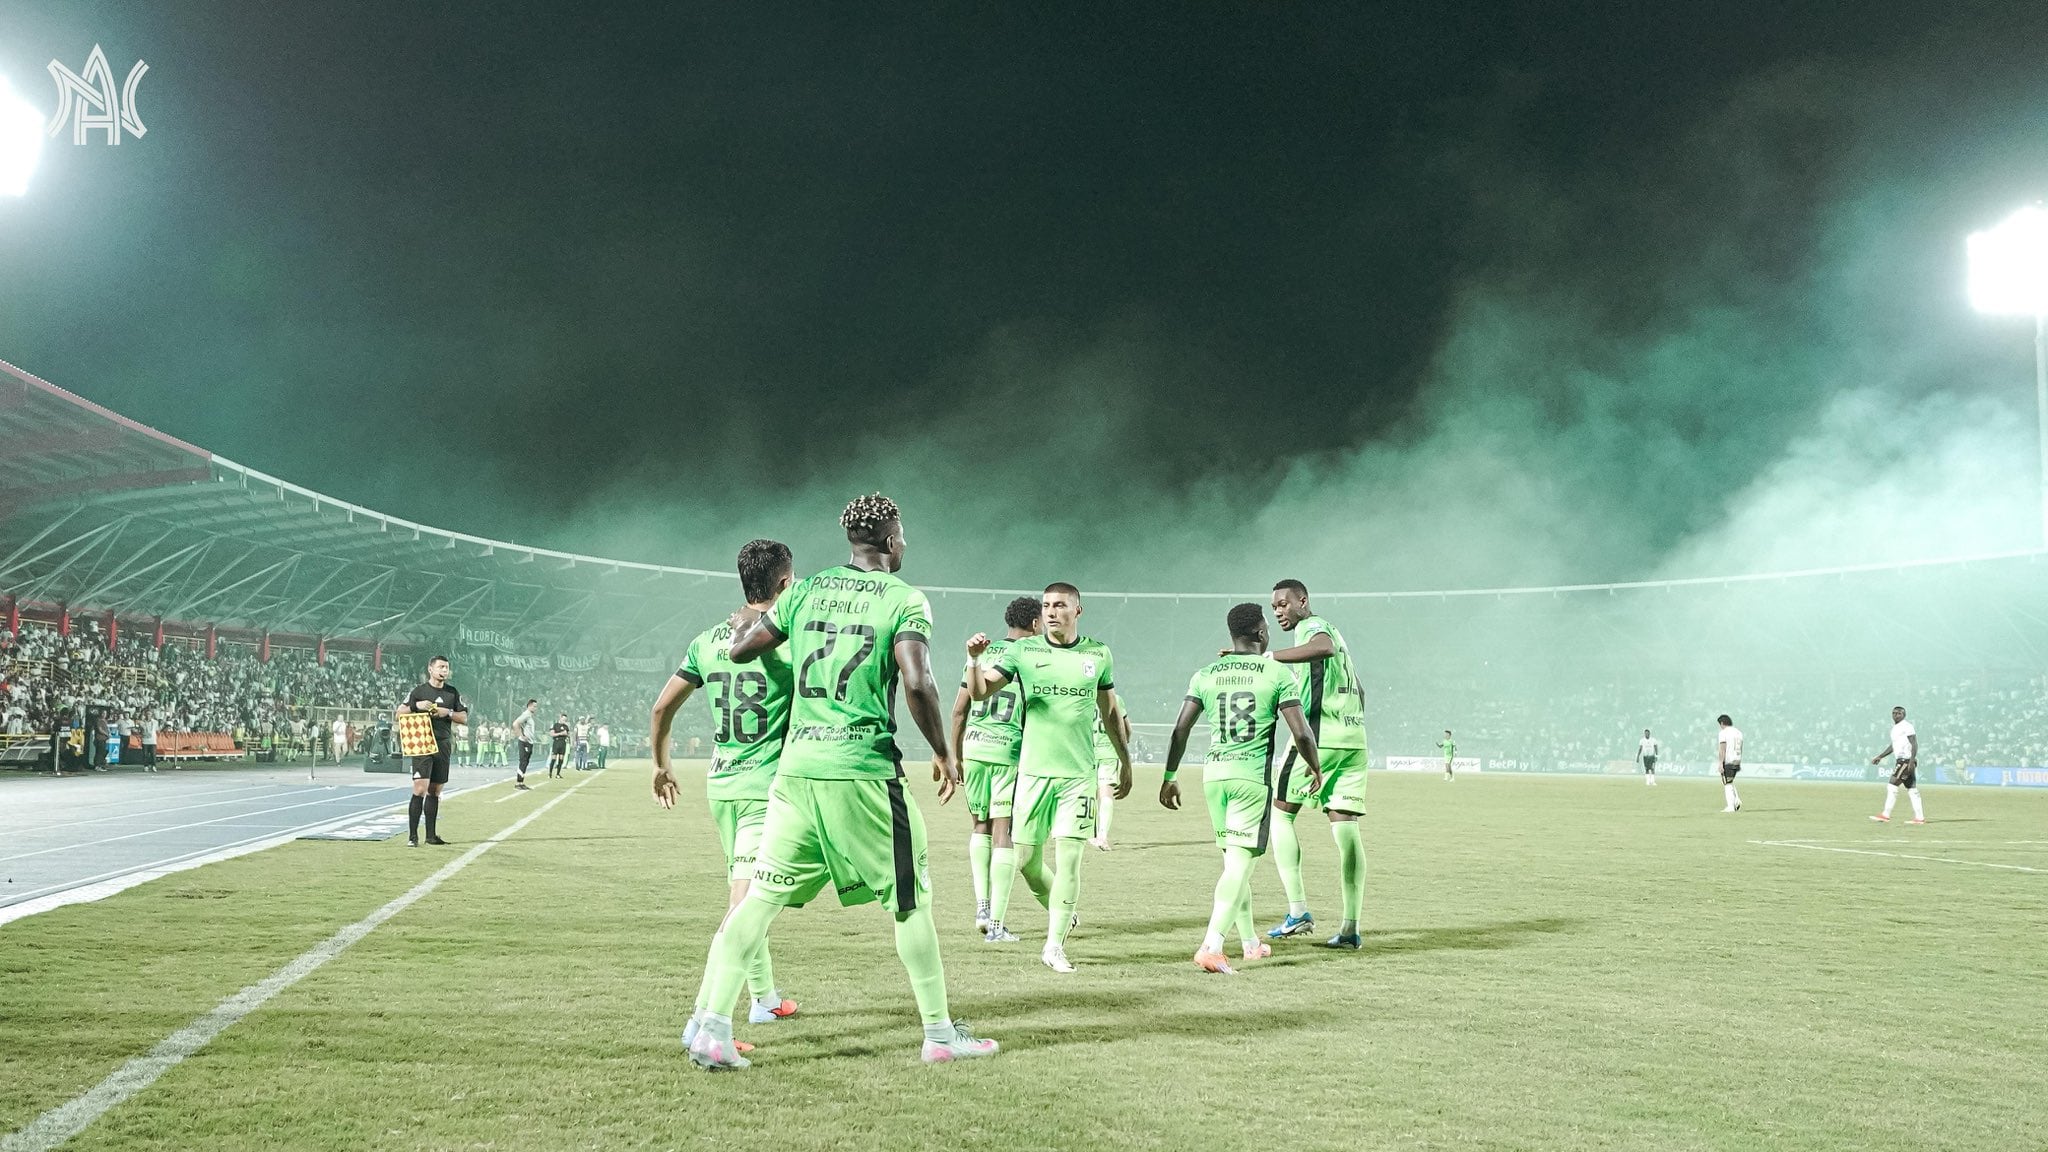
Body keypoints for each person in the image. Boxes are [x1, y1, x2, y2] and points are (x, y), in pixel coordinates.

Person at [685, 493, 996, 1070]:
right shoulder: (904, 598)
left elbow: (743, 647)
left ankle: (711, 1027)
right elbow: (919, 681)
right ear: (886, 540)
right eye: (901, 534)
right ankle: (939, 1034)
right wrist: (946, 754)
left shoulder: (803, 590)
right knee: (911, 901)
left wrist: (762, 625)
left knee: (759, 898)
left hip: (796, 771)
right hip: (862, 771)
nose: (904, 543)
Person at [654, 539, 801, 1055]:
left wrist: (660, 765)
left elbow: (660, 710)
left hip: (722, 785)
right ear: (785, 583)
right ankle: (704, 1021)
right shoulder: (789, 637)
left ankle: (764, 998)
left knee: (749, 896)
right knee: (746, 907)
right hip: (766, 789)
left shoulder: (708, 639)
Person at [964, 582, 1133, 973]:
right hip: (1033, 776)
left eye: (1060, 605)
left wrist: (1125, 762)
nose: (1053, 611)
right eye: (1047, 605)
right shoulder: (1024, 651)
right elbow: (979, 693)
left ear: (1078, 610)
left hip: (1077, 778)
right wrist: (973, 660)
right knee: (1021, 857)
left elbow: (1109, 713)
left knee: (1070, 861)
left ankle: (1054, 946)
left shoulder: (1098, 654)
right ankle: (993, 919)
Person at [1161, 602, 1323, 973]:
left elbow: (1180, 729)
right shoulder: (1277, 673)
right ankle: (1212, 946)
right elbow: (1301, 731)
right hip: (1250, 779)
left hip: (1213, 776)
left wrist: (1170, 776)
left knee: (1235, 864)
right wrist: (1315, 768)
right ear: (1261, 633)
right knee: (1238, 866)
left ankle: (1250, 944)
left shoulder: (1206, 673)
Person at [1263, 579, 1370, 949]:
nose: (1278, 611)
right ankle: (1350, 927)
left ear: (1302, 601)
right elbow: (1360, 687)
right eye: (1274, 607)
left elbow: (1320, 648)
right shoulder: (1341, 640)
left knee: (1280, 813)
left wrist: (1269, 657)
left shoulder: (1314, 628)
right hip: (1353, 740)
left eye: (1283, 604)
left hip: (1319, 737)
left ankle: (1297, 911)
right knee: (1345, 827)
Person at [947, 596, 1039, 937]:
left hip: (973, 748)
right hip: (1008, 752)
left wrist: (952, 755)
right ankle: (997, 925)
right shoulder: (1031, 657)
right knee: (1004, 832)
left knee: (979, 826)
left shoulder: (983, 655)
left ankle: (981, 907)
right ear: (1034, 624)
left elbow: (959, 710)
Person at [399, 655, 468, 847]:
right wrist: (416, 706)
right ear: (430, 669)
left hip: (443, 744)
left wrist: (448, 713)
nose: (444, 670)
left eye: (447, 668)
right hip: (422, 742)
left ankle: (431, 835)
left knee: (435, 791)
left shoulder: (452, 693)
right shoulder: (419, 691)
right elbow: (399, 713)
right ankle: (413, 836)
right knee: (420, 788)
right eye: (441, 667)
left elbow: (463, 717)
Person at [1870, 706, 1926, 824]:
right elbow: (1893, 746)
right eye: (1894, 713)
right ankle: (1920, 818)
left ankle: (1885, 815)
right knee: (1912, 789)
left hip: (1905, 761)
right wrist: (1880, 756)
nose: (1895, 715)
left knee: (1892, 785)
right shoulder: (1895, 729)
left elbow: (1914, 743)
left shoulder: (1907, 726)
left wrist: (1911, 761)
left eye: (1899, 713)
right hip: (1902, 760)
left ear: (1904, 715)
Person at [1088, 705, 1131, 851]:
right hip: (1109, 752)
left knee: (1088, 794)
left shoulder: (1085, 696)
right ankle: (1102, 836)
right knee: (1105, 793)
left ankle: (1088, 834)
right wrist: (1123, 749)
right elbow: (1127, 729)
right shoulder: (1115, 699)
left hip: (1088, 753)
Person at [1716, 714, 1743, 813]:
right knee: (1730, 781)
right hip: (1737, 759)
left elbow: (1722, 748)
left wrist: (1720, 763)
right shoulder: (1739, 732)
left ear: (1722, 723)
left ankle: (1731, 806)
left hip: (1729, 760)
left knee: (1726, 783)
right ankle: (1737, 800)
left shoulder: (1723, 733)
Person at [511, 699, 538, 790]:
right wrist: (521, 736)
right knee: (523, 762)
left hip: (529, 742)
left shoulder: (530, 716)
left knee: (525, 762)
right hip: (524, 742)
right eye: (534, 706)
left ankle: (521, 782)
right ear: (529, 706)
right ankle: (518, 783)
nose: (535, 708)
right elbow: (515, 723)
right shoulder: (526, 715)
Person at [548, 713, 570, 778]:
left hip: (563, 743)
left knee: (561, 759)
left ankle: (558, 774)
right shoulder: (555, 725)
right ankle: (550, 773)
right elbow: (552, 734)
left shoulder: (566, 727)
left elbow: (568, 734)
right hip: (556, 743)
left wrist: (567, 735)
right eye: (563, 719)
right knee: (553, 759)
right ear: (560, 718)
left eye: (565, 720)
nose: (564, 721)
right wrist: (561, 733)